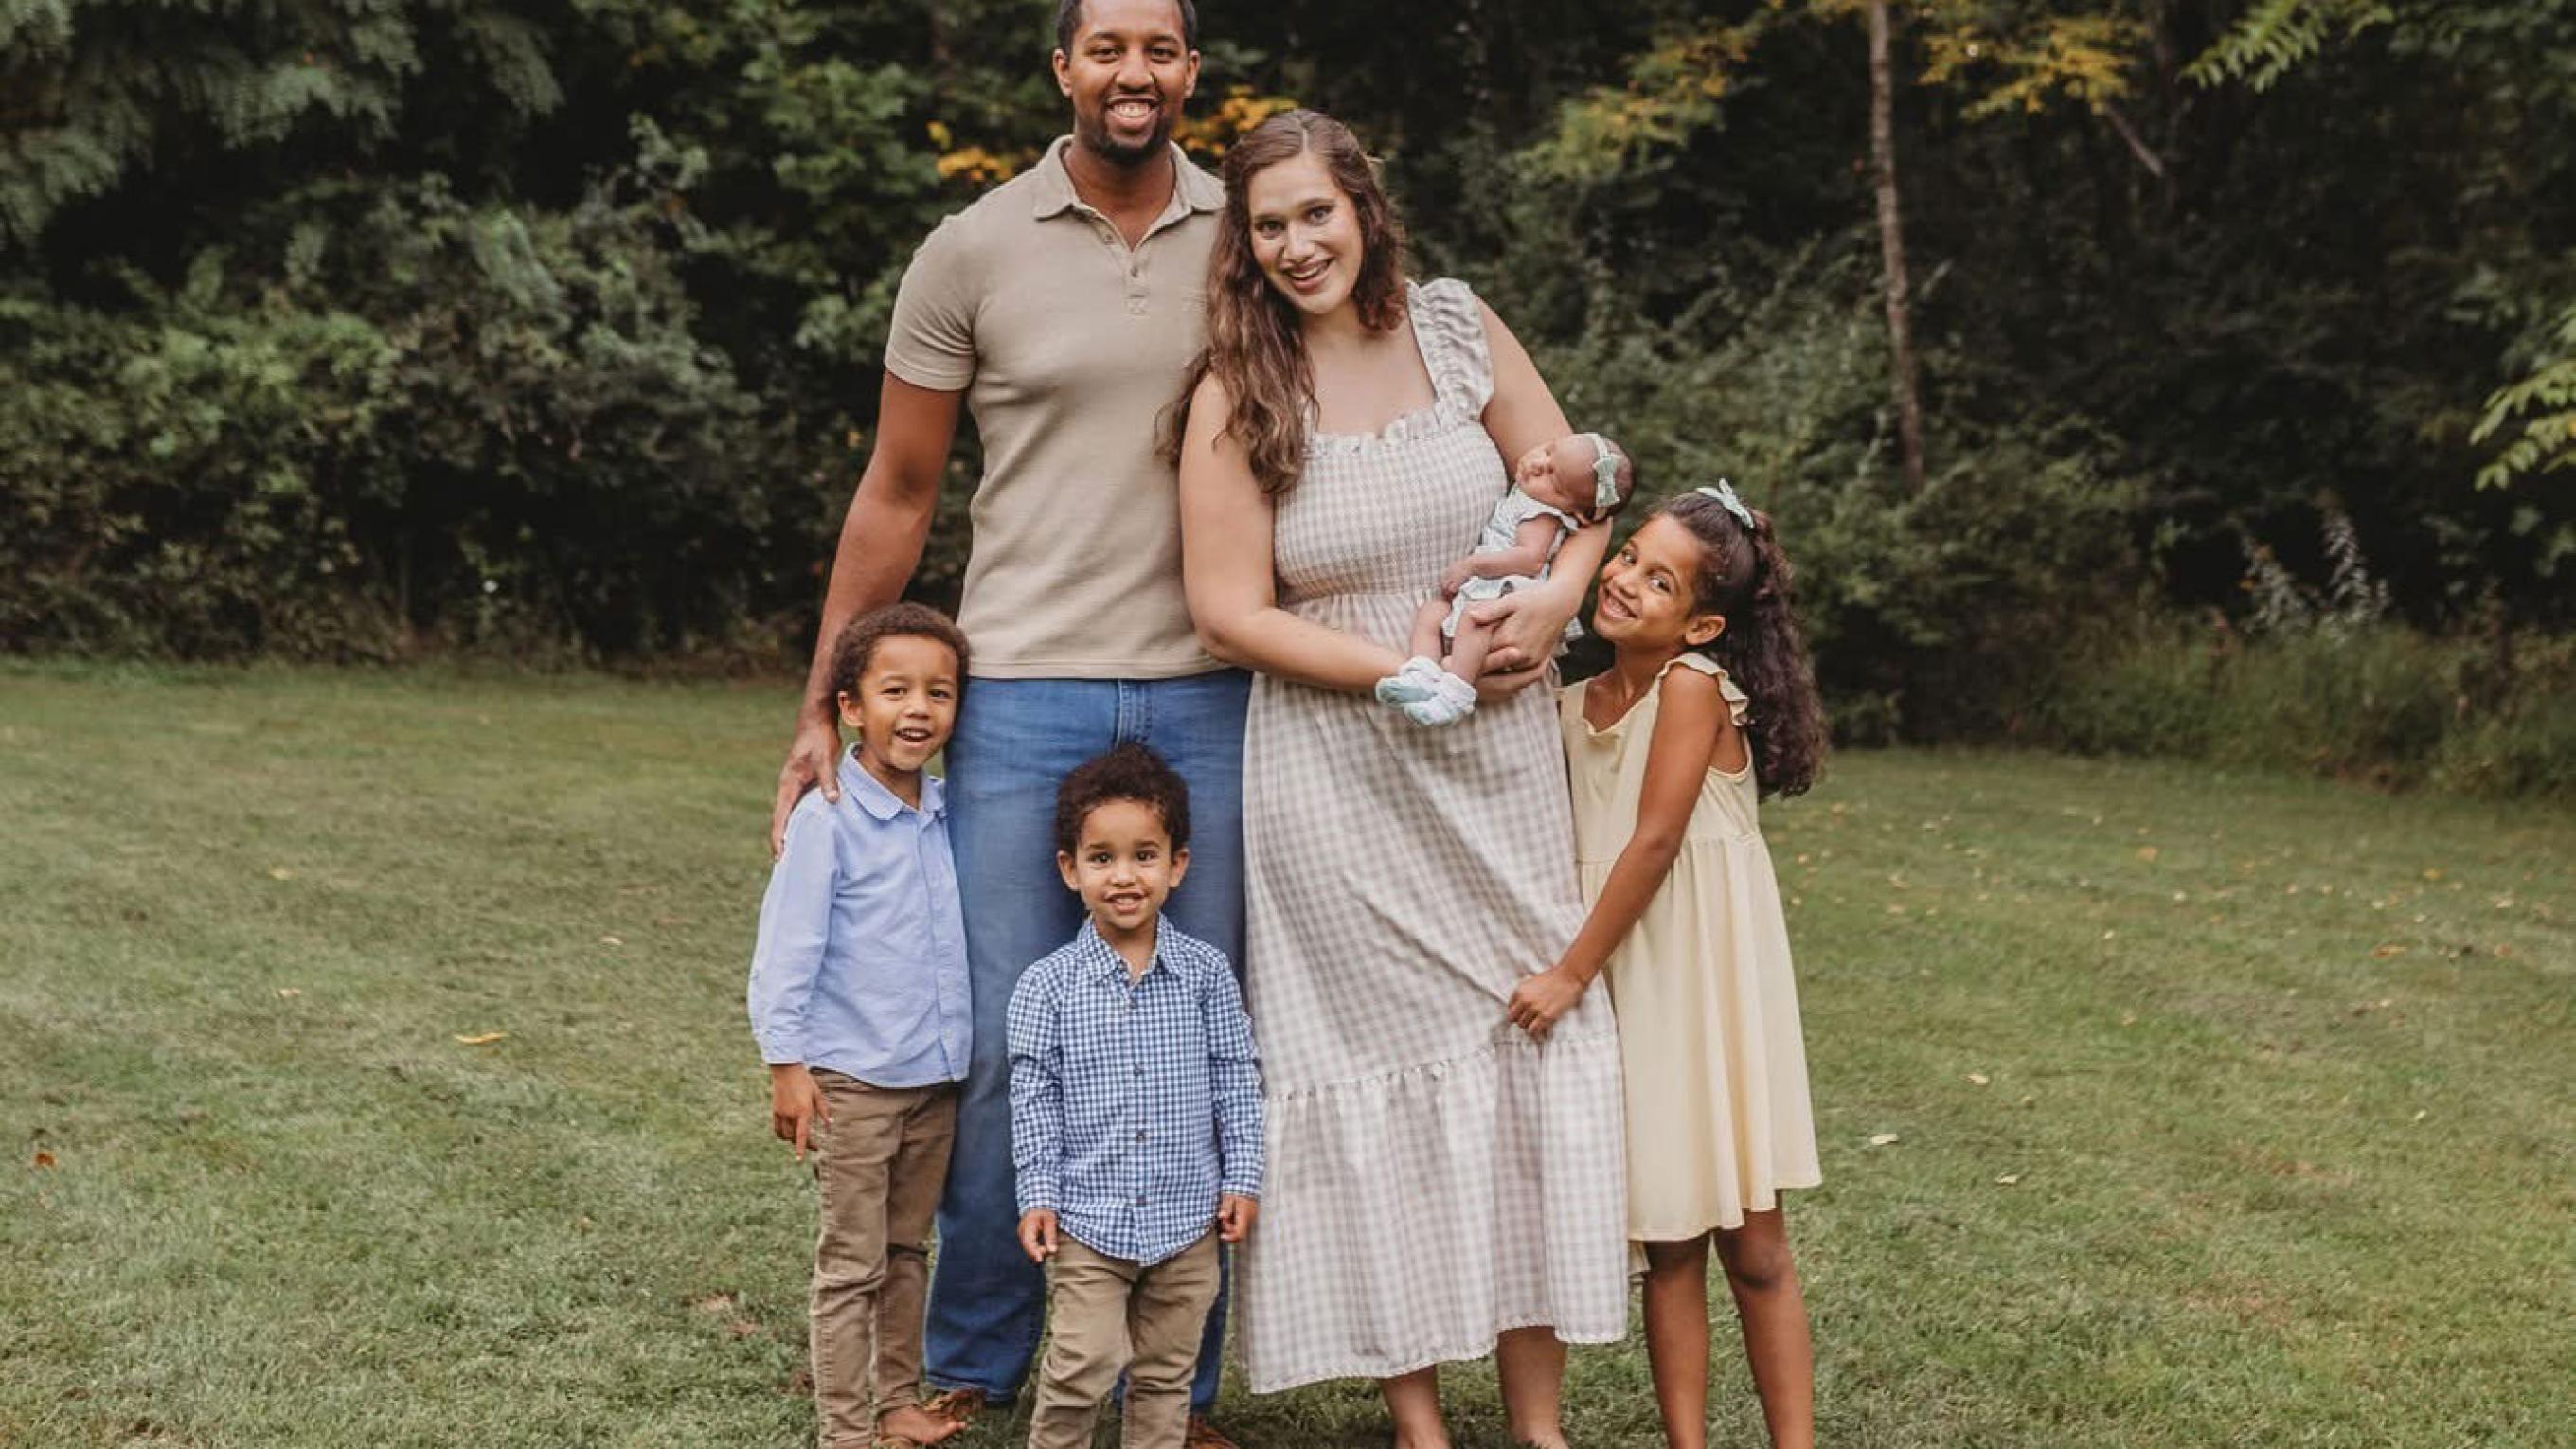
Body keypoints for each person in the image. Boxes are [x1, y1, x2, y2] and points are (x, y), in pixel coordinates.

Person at [763, 3, 1258, 1440]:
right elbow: (899, 490)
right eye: (1107, 47)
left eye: (1159, 48)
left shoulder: (1249, 233)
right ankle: (979, 1351)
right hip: (1021, 683)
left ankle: (1179, 1379)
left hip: (1209, 684)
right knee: (990, 1034)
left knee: (1194, 1024)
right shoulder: (970, 250)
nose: (1134, 73)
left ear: (1189, 71)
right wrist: (819, 704)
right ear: (1062, 70)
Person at [1173, 110, 1629, 1449]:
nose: (1298, 244)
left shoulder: (1455, 327)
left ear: (1362, 206)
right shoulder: (1238, 391)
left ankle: (1537, 1423)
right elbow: (1223, 611)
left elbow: (1582, 487)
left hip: (1497, 757)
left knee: (1520, 1038)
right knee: (1372, 1073)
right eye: (1269, 226)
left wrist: (1554, 608)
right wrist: (1390, 672)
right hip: (1338, 769)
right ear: (1244, 248)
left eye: (1317, 212)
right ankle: (1420, 1419)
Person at [1512, 483, 1828, 1449]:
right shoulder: (1565, 707)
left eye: (1659, 580)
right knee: (1670, 1243)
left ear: (1699, 625)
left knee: (1755, 1245)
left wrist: (1566, 974)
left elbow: (1650, 846)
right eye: (1627, 557)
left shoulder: (1691, 691)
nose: (1624, 582)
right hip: (1639, 994)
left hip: (1705, 991)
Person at [747, 603, 975, 1449]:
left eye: (939, 693)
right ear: (851, 707)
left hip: (935, 1078)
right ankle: (847, 1429)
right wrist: (786, 1063)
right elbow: (787, 950)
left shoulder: (952, 815)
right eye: (896, 691)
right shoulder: (828, 820)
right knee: (853, 1265)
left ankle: (898, 1405)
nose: (918, 709)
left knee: (909, 1252)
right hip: (853, 1083)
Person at [1007, 744, 1263, 1449]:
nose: (1124, 877)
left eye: (1144, 856)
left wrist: (1242, 1175)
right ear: (1071, 869)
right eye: (1102, 858)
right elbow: (1034, 1101)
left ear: (1177, 864)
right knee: (1083, 1363)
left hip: (1188, 1222)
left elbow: (1237, 1077)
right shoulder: (1046, 987)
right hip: (1089, 1221)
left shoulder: (1206, 975)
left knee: (1165, 1376)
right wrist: (1039, 1194)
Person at [1376, 431, 1636, 726]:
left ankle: (1455, 692)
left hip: (1504, 592)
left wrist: (1472, 565)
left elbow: (1529, 559)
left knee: (1476, 620)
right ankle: (1422, 672)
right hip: (1486, 587)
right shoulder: (1529, 496)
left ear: (1574, 511)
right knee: (1432, 613)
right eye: (1549, 450)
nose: (1539, 464)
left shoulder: (1542, 514)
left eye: (1553, 477)